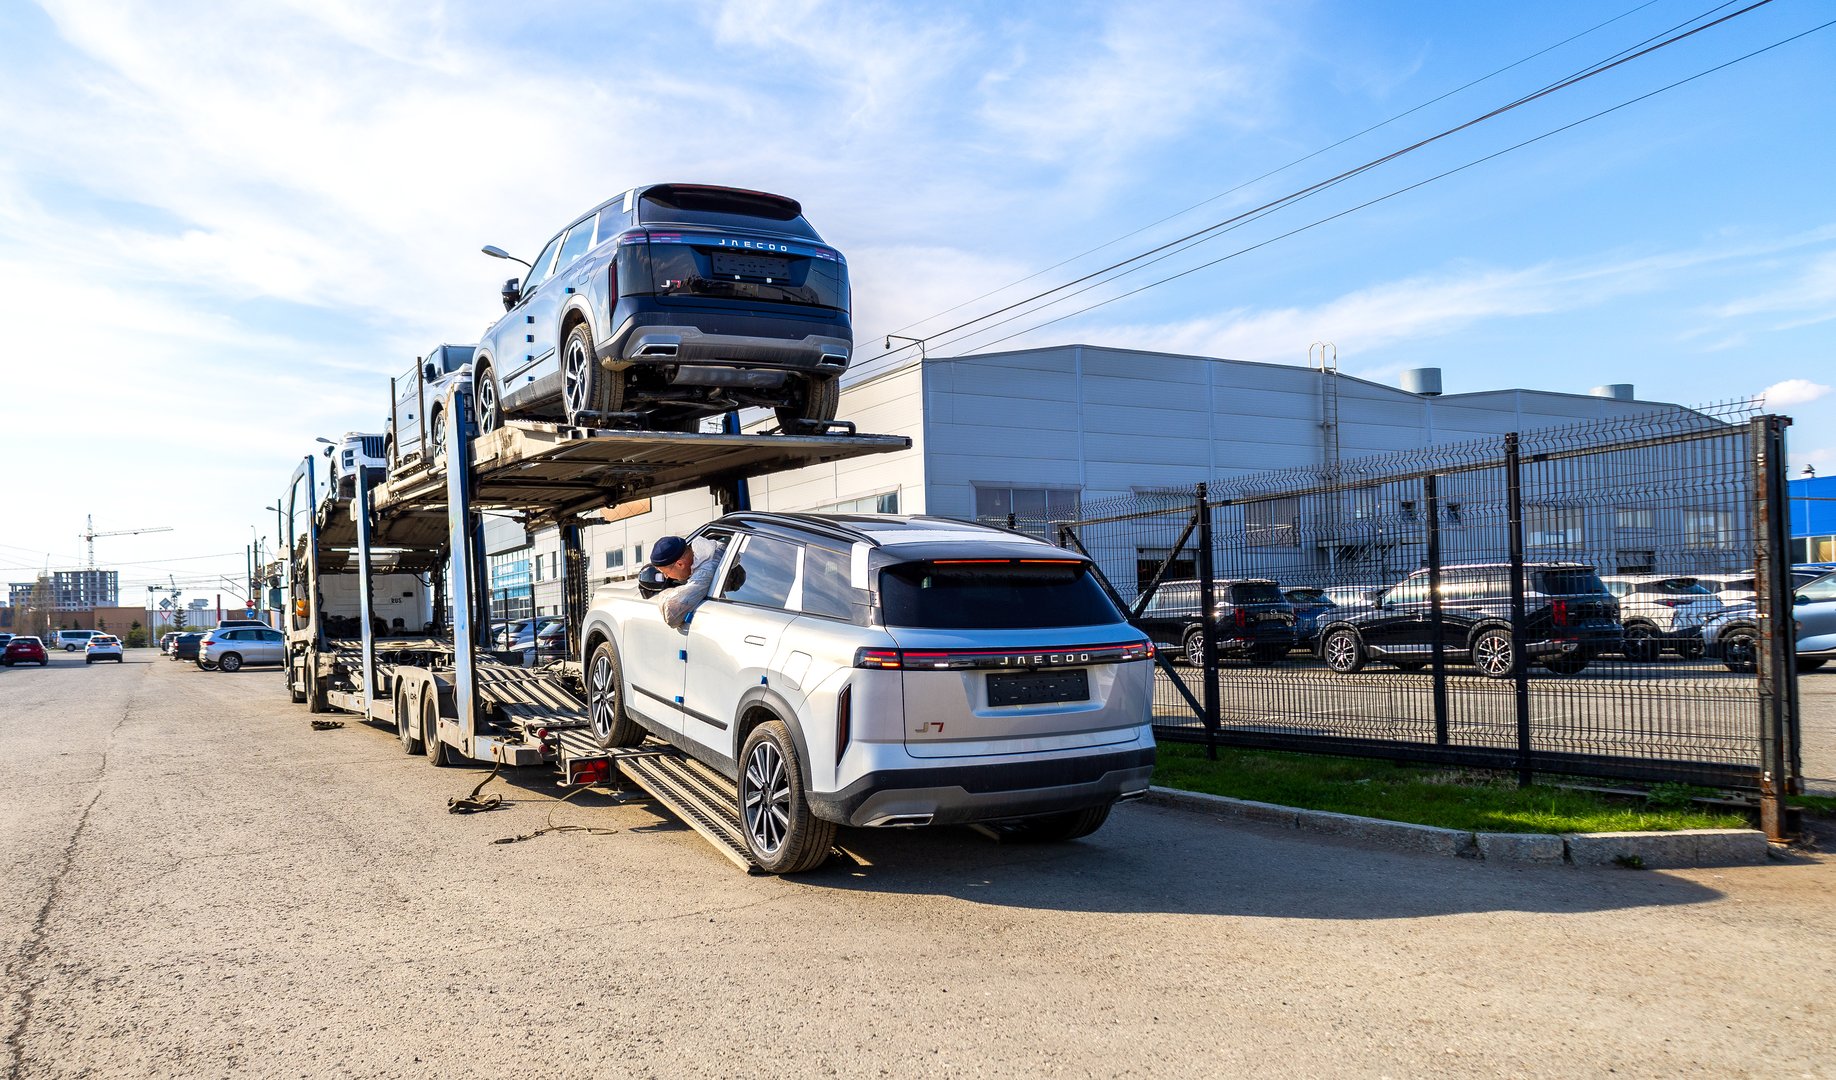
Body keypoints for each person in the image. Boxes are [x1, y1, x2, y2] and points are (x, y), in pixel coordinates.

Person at [651, 534, 727, 629]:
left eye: (665, 572)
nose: (666, 577)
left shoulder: (705, 573)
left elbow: (671, 615)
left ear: (680, 564)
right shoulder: (712, 549)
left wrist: (663, 594)